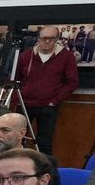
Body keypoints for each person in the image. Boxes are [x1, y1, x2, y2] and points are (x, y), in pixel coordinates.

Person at [14, 26, 79, 155]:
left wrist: (55, 101)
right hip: (25, 104)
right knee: (17, 140)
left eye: (51, 38)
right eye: (44, 38)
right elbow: (14, 80)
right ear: (38, 39)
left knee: (44, 144)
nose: (47, 41)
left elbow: (72, 82)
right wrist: (18, 99)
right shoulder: (26, 56)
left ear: (57, 39)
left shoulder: (67, 56)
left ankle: (45, 172)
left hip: (48, 106)